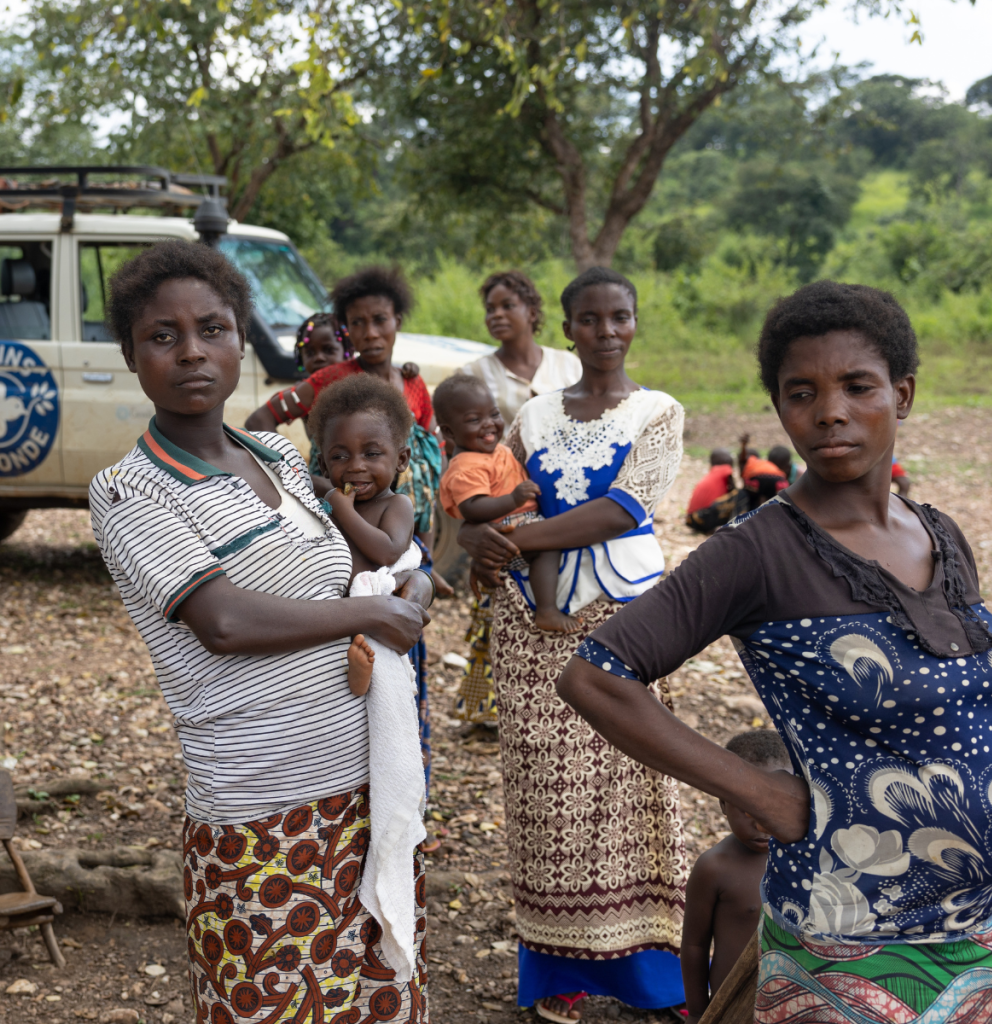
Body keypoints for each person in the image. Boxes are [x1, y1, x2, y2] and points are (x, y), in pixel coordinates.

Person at [558, 279, 992, 1023]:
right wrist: (758, 791)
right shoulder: (759, 552)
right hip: (854, 935)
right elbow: (595, 677)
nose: (830, 412)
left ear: (904, 393)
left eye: (859, 385)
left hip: (976, 924)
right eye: (801, 393)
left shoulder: (940, 532)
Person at [88, 240, 433, 1021]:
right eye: (162, 336)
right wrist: (375, 612)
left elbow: (358, 567)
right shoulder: (129, 490)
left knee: (377, 999)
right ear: (131, 355)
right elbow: (225, 621)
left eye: (212, 329)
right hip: (261, 817)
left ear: (243, 339)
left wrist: (408, 582)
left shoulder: (278, 454)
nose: (191, 353)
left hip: (367, 792)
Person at [456, 266, 687, 1022]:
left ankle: (652, 976)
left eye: (619, 316)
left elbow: (626, 508)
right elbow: (495, 493)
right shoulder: (535, 415)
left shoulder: (658, 413)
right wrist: (481, 535)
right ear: (570, 329)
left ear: (634, 321)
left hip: (626, 618)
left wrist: (515, 541)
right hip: (534, 623)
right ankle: (559, 978)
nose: (607, 331)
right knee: (544, 795)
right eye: (590, 320)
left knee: (635, 782)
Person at [455, 271, 583, 725]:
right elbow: (462, 451)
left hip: (567, 500)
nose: (497, 315)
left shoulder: (568, 367)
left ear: (533, 310)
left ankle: (565, 703)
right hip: (503, 506)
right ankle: (488, 707)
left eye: (507, 305)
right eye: (490, 308)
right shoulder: (476, 374)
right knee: (501, 601)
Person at [435, 374, 579, 633]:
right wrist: (513, 499)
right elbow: (472, 508)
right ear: (448, 431)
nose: (489, 425)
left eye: (494, 414)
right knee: (547, 546)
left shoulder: (491, 451)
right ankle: (546, 610)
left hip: (515, 523)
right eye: (474, 420)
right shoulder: (466, 466)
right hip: (505, 530)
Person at [308, 374, 418, 695]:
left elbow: (387, 552)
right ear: (324, 465)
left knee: (371, 661)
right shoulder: (328, 502)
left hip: (375, 618)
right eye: (340, 456)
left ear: (401, 459)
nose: (356, 466)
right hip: (333, 617)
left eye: (371, 454)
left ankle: (363, 676)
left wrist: (343, 510)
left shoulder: (396, 505)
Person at [681, 730, 791, 1024]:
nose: (761, 822)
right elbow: (694, 945)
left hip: (794, 1002)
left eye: (774, 805)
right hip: (731, 1007)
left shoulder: (804, 861)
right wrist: (696, 1012)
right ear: (723, 805)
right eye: (746, 808)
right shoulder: (714, 868)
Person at [685, 448, 738, 534]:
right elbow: (735, 492)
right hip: (702, 517)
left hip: (691, 519)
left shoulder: (714, 472)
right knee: (740, 496)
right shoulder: (725, 469)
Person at [738, 435, 788, 511]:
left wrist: (743, 445)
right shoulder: (763, 463)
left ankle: (751, 514)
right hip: (778, 478)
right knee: (774, 500)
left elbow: (742, 458)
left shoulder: (748, 461)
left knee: (750, 497)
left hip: (758, 478)